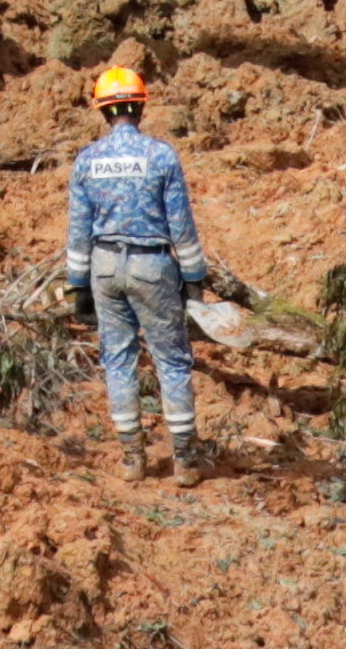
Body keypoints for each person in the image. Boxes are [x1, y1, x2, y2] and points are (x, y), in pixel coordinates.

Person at [66, 61, 242, 472]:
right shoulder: (161, 156)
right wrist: (195, 280)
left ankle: (132, 460)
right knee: (173, 360)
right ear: (139, 108)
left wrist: (77, 285)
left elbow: (77, 230)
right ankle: (184, 461)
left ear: (102, 111)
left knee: (118, 359)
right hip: (153, 266)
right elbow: (181, 225)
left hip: (104, 267)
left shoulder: (87, 160)